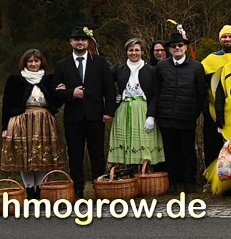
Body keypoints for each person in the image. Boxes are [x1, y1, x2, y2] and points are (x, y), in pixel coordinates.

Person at [53, 26, 116, 198]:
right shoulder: (62, 65)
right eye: (76, 39)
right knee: (75, 155)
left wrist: (109, 111)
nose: (80, 42)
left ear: (88, 42)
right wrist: (70, 93)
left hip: (96, 116)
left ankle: (100, 188)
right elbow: (56, 92)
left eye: (83, 39)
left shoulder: (100, 62)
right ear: (71, 42)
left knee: (97, 154)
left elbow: (109, 89)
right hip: (73, 118)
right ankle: (78, 190)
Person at [1, 49, 65, 198]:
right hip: (21, 121)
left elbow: (56, 104)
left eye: (36, 61)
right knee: (25, 158)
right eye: (30, 61)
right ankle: (30, 191)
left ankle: (42, 190)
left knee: (43, 157)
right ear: (25, 63)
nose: (33, 64)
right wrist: (4, 127)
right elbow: (6, 104)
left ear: (41, 62)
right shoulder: (14, 80)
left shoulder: (49, 79)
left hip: (44, 121)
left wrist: (60, 92)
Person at [150, 27, 204, 194]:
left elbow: (200, 93)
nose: (177, 48)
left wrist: (194, 113)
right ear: (169, 49)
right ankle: (173, 182)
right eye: (174, 46)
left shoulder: (196, 67)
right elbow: (157, 91)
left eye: (180, 45)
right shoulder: (162, 66)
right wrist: (154, 114)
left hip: (187, 117)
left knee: (188, 151)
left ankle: (189, 182)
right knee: (170, 151)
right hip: (166, 116)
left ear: (186, 47)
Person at [109, 38, 165, 168]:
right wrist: (116, 97)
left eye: (137, 50)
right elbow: (105, 83)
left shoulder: (151, 70)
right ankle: (130, 173)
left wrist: (151, 115)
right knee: (126, 142)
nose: (133, 53)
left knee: (143, 144)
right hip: (124, 110)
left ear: (143, 52)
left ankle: (146, 173)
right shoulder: (119, 69)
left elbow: (156, 93)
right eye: (130, 50)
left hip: (143, 110)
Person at [200, 25, 231, 168]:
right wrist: (205, 106)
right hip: (213, 112)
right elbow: (200, 84)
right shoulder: (210, 59)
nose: (227, 39)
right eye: (224, 37)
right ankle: (211, 175)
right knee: (212, 146)